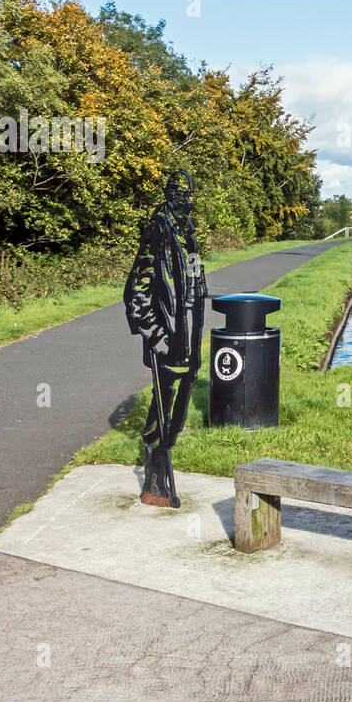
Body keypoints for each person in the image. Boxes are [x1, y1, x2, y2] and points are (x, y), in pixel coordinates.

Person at [123, 171, 209, 508]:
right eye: (181, 194)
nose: (187, 200)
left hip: (186, 332)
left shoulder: (186, 231)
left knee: (180, 404)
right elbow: (137, 289)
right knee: (163, 404)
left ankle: (163, 458)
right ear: (171, 195)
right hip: (167, 334)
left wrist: (198, 291)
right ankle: (155, 480)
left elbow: (193, 275)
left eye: (190, 194)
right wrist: (155, 335)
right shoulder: (158, 228)